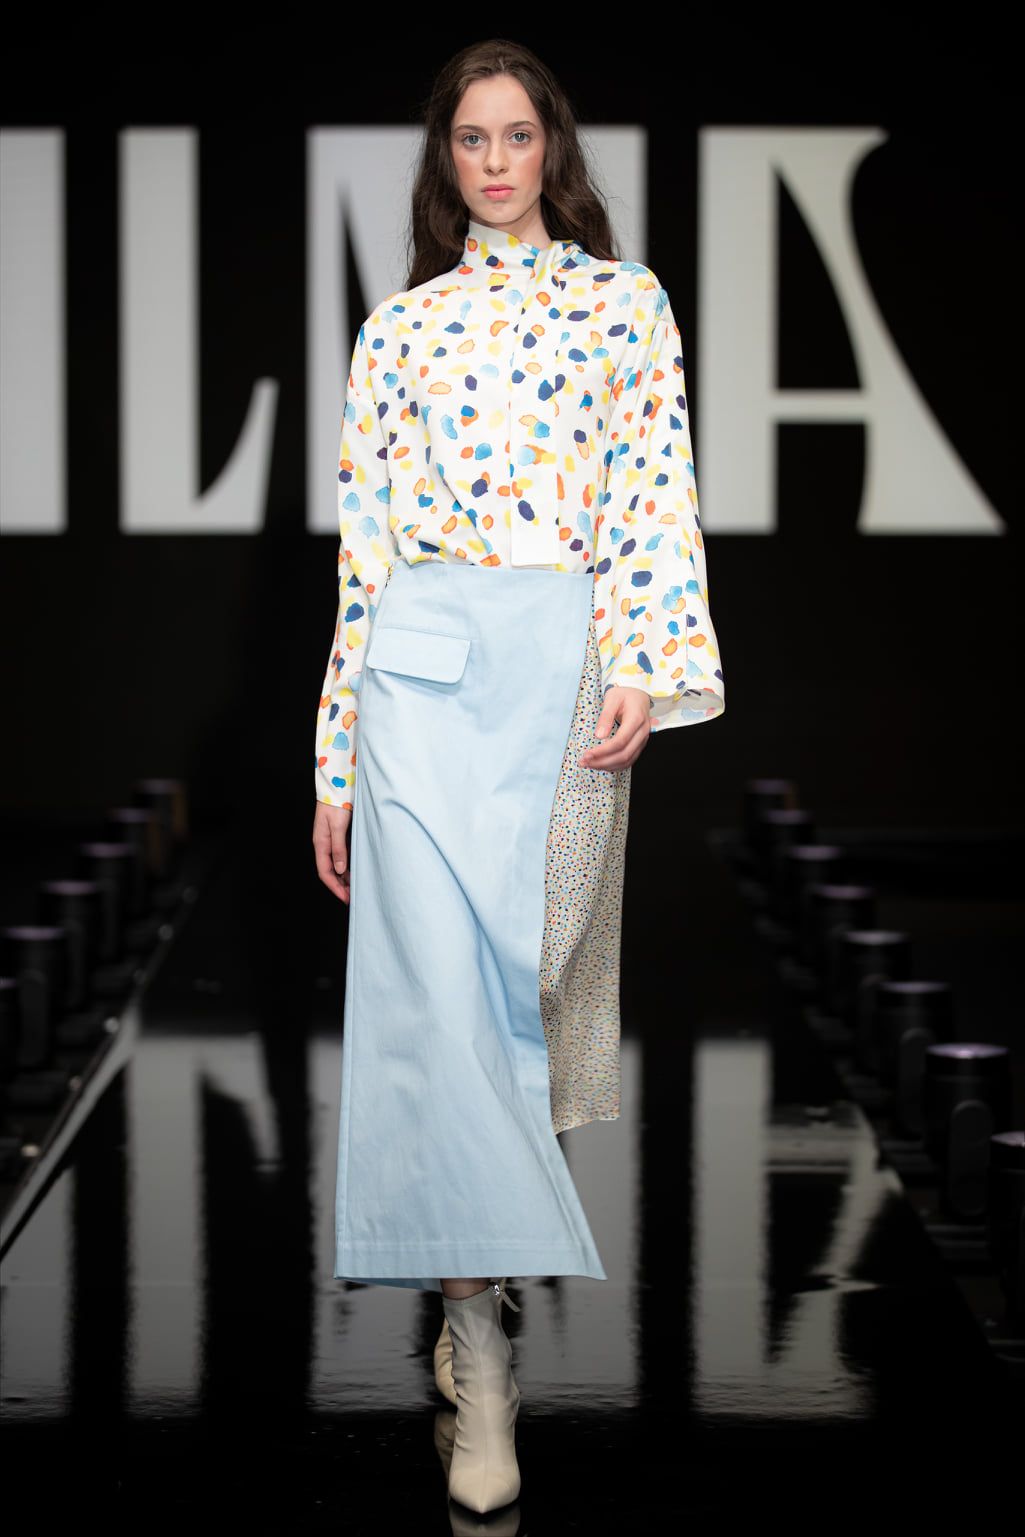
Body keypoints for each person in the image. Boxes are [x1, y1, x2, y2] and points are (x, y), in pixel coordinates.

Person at [311, 38, 725, 1515]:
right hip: (419, 680)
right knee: (441, 1010)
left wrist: (644, 663)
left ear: (553, 147)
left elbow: (655, 492)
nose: (494, 162)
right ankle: (480, 1353)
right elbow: (365, 551)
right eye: (470, 139)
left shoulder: (624, 306)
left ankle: (472, 1292)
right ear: (446, 159)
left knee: (525, 998)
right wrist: (333, 761)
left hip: (560, 670)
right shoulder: (398, 331)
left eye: (517, 135)